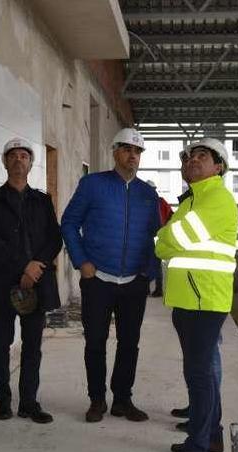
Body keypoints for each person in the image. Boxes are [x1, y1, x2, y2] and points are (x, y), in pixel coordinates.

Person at [61, 127, 161, 423]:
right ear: (115, 151)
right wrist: (82, 262)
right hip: (98, 279)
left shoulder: (147, 193)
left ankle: (122, 399)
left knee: (130, 342)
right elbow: (68, 223)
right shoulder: (92, 185)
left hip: (133, 281)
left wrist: (148, 272)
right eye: (128, 149)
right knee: (95, 341)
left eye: (138, 151)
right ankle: (96, 400)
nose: (133, 156)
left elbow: (155, 236)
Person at [154, 138, 238, 452]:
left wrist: (164, 237)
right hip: (190, 298)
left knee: (199, 375)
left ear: (218, 167)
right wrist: (167, 236)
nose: (192, 161)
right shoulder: (193, 200)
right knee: (200, 373)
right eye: (189, 157)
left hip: (204, 300)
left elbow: (168, 242)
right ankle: (211, 437)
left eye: (202, 156)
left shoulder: (217, 198)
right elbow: (171, 239)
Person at [0, 137, 62, 424]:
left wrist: (36, 268)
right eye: (12, 156)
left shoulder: (42, 200)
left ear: (30, 163)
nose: (18, 160)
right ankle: (3, 399)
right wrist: (23, 266)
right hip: (3, 282)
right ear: (4, 162)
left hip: (37, 282)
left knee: (32, 345)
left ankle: (28, 402)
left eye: (24, 156)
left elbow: (54, 237)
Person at [145, 179, 173, 298]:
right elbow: (172, 216)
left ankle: (147, 289)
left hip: (148, 235)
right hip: (159, 234)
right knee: (156, 263)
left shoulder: (143, 201)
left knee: (145, 263)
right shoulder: (161, 201)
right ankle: (158, 290)